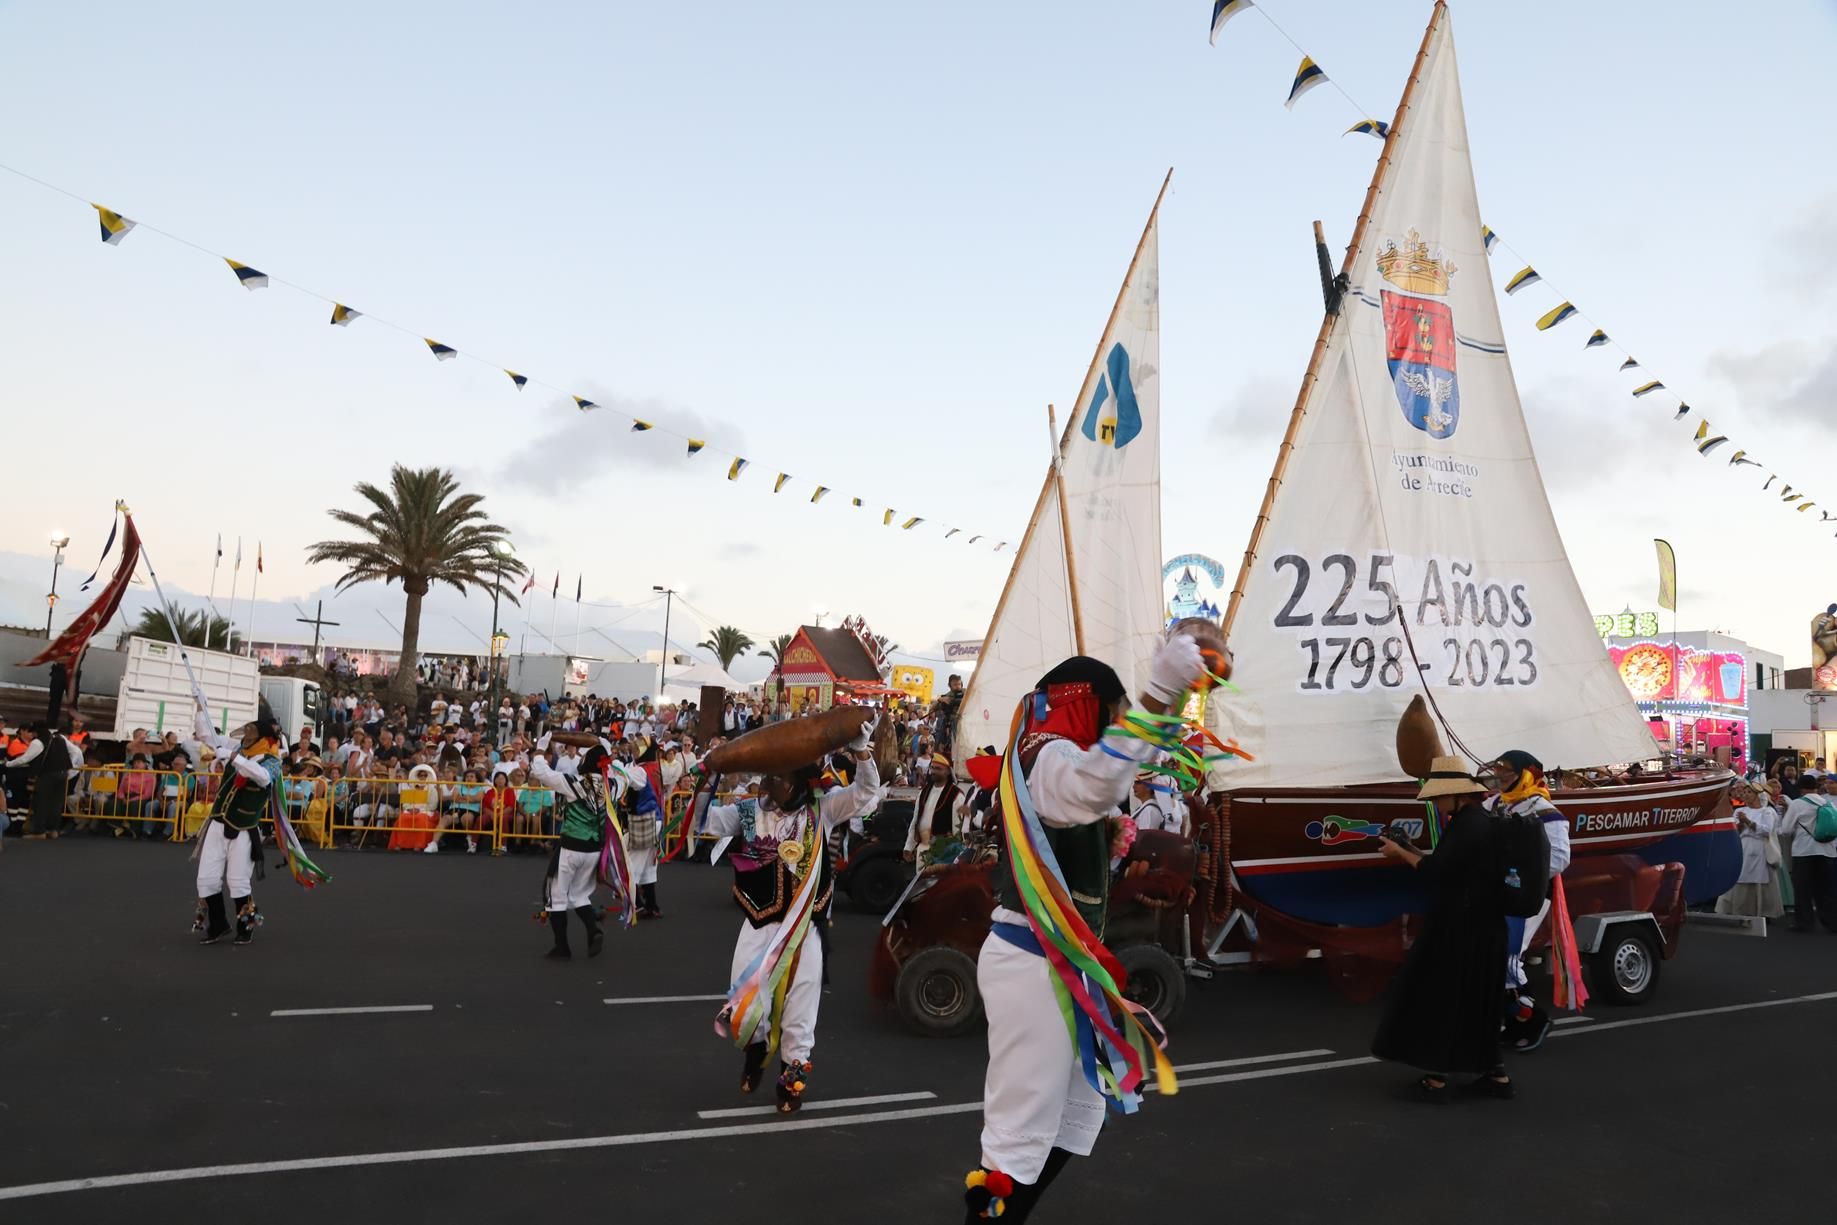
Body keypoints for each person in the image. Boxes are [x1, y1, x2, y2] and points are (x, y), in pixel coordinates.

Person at [962, 638, 1205, 1223]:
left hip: (1062, 965)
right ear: (1088, 706)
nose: (1116, 725)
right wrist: (1161, 692)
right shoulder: (1046, 756)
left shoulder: (1053, 756)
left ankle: (1008, 1214)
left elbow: (1105, 785)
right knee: (1017, 1137)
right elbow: (1096, 784)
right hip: (1033, 963)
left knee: (1081, 1108)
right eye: (1114, 712)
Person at [702, 716, 881, 1114]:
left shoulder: (825, 808)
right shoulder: (748, 812)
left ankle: (791, 1082)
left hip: (805, 929)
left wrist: (862, 752)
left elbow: (867, 791)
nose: (767, 786)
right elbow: (705, 822)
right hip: (757, 922)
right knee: (744, 1006)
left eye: (776, 779)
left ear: (797, 782)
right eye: (766, 779)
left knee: (801, 1011)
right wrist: (708, 775)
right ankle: (756, 1048)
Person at [1371, 757, 1512, 1101]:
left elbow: (1437, 872)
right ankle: (1496, 1077)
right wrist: (1409, 849)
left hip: (1462, 927)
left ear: (1455, 795)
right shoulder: (1481, 820)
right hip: (1487, 926)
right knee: (1479, 1000)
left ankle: (1436, 1080)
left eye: (1437, 797)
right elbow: (1450, 866)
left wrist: (1399, 853)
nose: (1434, 803)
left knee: (1442, 997)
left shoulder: (1468, 824)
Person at [1488, 749, 1568, 1053]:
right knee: (1496, 955)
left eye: (1507, 770)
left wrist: (1516, 873)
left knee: (1508, 957)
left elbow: (1559, 858)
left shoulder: (1543, 810)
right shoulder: (1494, 804)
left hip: (1527, 895)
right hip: (1499, 893)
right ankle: (1511, 1021)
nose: (1500, 775)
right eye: (1498, 769)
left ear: (1525, 773)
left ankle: (1533, 1019)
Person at [526, 734, 625, 959]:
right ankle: (592, 929)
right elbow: (620, 770)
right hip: (594, 850)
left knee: (556, 895)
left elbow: (541, 773)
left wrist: (541, 749)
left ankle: (562, 947)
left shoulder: (574, 783)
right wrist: (604, 745)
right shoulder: (614, 786)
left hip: (571, 847)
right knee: (580, 895)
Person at [191, 711, 283, 945]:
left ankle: (246, 926)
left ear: (263, 738)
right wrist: (200, 708)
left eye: (251, 735)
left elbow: (262, 778)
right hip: (218, 822)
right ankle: (219, 925)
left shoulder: (272, 762)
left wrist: (233, 758)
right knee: (206, 879)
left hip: (244, 829)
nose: (246, 739)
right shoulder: (239, 749)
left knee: (238, 881)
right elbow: (206, 734)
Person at [1716, 780, 1784, 919]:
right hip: (1744, 846)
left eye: (1749, 792)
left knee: (1761, 877)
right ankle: (1740, 909)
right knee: (1741, 875)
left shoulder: (1767, 811)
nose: (1745, 795)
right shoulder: (1740, 811)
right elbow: (1734, 831)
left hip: (1760, 848)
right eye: (1745, 792)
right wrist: (1741, 824)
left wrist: (1748, 822)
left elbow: (1767, 831)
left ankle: (1764, 910)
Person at [1778, 775, 1837, 933]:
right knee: (1826, 889)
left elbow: (1786, 830)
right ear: (1816, 787)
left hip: (1804, 851)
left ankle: (1805, 922)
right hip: (1828, 851)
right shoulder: (1827, 802)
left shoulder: (1797, 804)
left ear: (1801, 788)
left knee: (1803, 888)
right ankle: (1831, 922)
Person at [903, 752, 966, 864]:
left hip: (944, 854)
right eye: (932, 767)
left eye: (938, 769)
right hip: (922, 851)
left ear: (947, 772)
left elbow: (959, 831)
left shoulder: (956, 795)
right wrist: (908, 847)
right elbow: (915, 820)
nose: (933, 771)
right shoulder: (924, 792)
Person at [620, 760, 665, 917]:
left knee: (631, 865)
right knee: (647, 867)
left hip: (645, 821)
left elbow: (628, 779)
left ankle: (636, 904)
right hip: (651, 819)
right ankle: (652, 905)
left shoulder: (639, 770)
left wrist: (613, 770)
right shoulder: (651, 767)